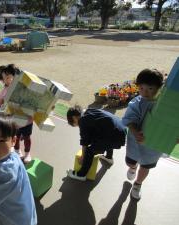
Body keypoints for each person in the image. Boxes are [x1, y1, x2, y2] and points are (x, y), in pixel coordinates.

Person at [122, 68, 164, 200]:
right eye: (141, 88)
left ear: (158, 88)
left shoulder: (163, 105)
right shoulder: (136, 102)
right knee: (130, 162)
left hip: (153, 146)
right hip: (135, 142)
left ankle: (138, 184)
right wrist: (134, 131)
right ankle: (133, 168)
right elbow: (129, 119)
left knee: (146, 166)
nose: (145, 92)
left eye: (150, 88)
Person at [66, 105, 127, 181]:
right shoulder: (89, 111)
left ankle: (81, 175)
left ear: (74, 118)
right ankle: (108, 157)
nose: (78, 126)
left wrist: (83, 156)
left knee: (89, 151)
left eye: (74, 123)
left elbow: (84, 142)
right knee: (105, 136)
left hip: (115, 136)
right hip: (121, 130)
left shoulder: (82, 121)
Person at [0, 64, 34, 163]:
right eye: (6, 78)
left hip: (27, 119)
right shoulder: (4, 91)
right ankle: (17, 151)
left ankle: (27, 154)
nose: (9, 79)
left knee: (27, 137)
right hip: (14, 120)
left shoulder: (23, 87)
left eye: (10, 77)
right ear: (3, 80)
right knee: (16, 137)